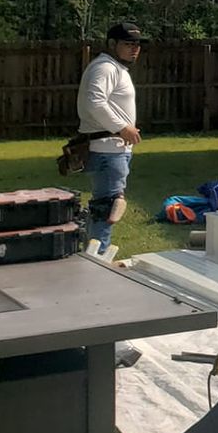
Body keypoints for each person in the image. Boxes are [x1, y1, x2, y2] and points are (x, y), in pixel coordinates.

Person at [76, 20, 145, 259]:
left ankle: (91, 251)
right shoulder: (104, 68)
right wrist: (122, 127)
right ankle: (98, 256)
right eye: (128, 44)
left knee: (105, 204)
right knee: (109, 206)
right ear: (112, 44)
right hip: (107, 149)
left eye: (137, 44)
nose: (134, 48)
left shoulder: (115, 68)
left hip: (113, 149)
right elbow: (94, 102)